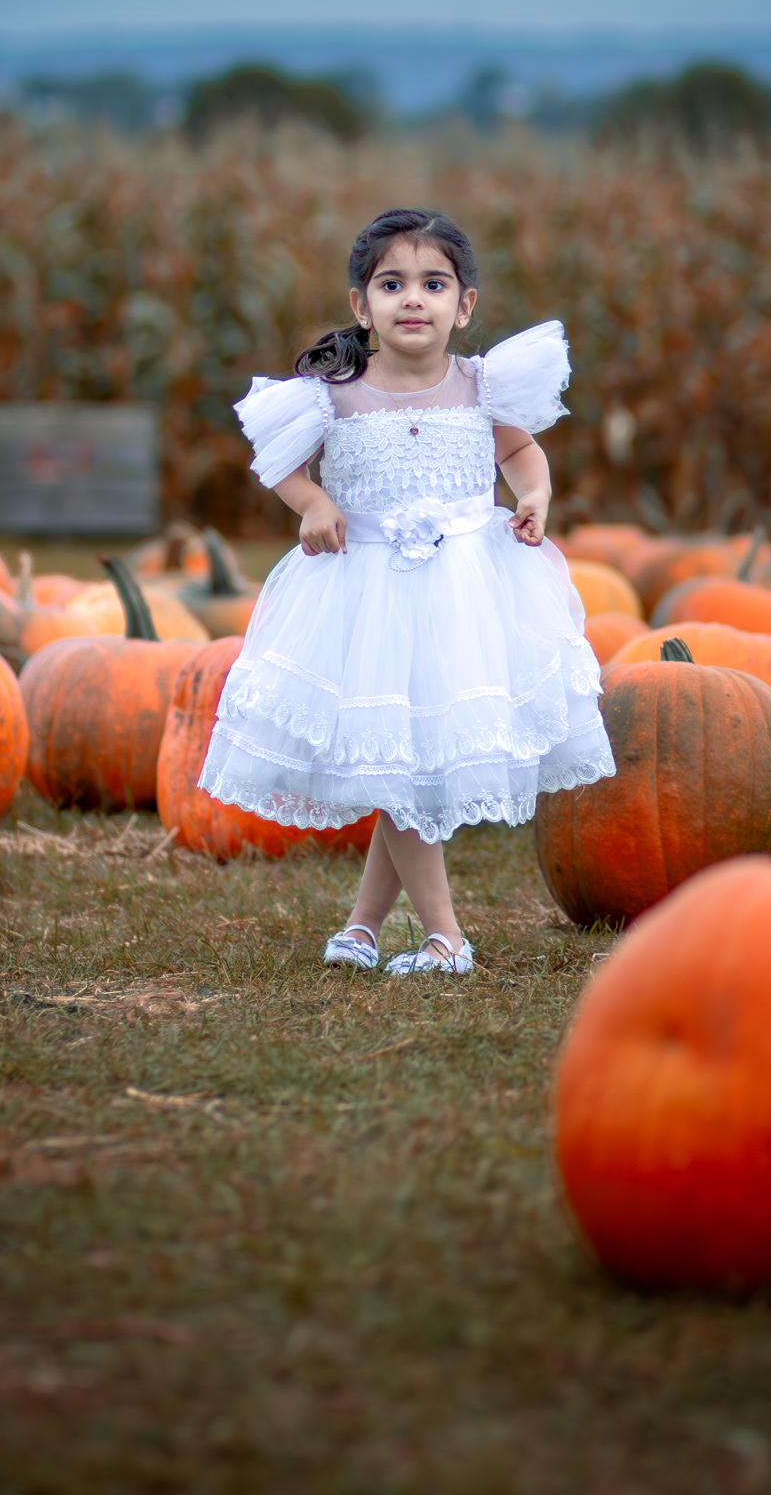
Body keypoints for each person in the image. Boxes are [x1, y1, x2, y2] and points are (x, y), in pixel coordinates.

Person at [199, 207, 615, 974]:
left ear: (465, 305)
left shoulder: (482, 386)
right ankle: (431, 935)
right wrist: (315, 504)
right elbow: (282, 465)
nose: (412, 299)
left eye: (432, 283)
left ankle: (391, 930)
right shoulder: (334, 393)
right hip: (368, 600)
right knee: (399, 761)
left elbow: (521, 453)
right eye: (392, 284)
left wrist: (534, 497)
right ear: (362, 306)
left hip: (462, 593)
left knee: (409, 764)